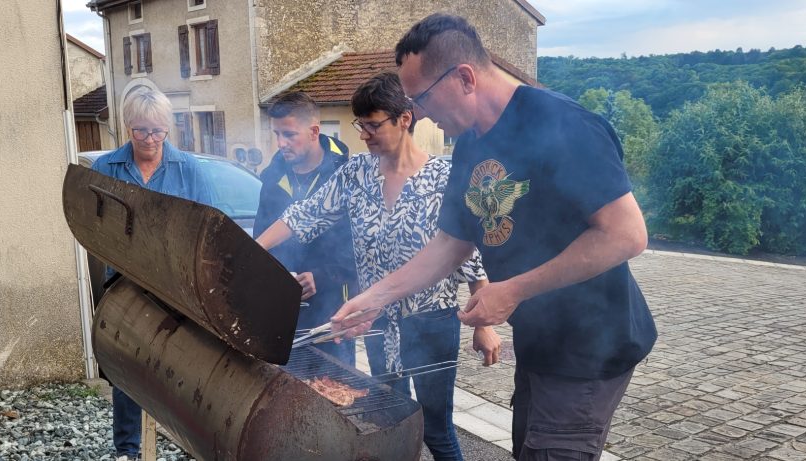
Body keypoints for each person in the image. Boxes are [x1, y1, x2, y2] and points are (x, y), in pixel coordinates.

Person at [331, 14, 658, 461]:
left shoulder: (564, 125)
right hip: (540, 344)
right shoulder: (470, 144)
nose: (418, 112)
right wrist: (375, 298)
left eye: (422, 97)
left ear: (465, 78)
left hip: (591, 348)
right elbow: (450, 245)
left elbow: (626, 234)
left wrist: (514, 290)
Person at [256, 72, 502, 461]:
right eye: (360, 125)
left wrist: (484, 323)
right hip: (376, 320)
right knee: (390, 422)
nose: (364, 135)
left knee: (437, 428)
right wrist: (252, 248)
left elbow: (468, 253)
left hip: (433, 321)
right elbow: (304, 214)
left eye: (373, 125)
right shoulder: (355, 173)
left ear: (404, 119)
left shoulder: (443, 177)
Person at [91, 86, 213, 461]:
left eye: (158, 131)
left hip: (175, 287)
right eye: (141, 130)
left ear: (168, 128)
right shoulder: (105, 168)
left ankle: (188, 441)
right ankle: (128, 450)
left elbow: (208, 228)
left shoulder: (189, 169)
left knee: (180, 366)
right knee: (127, 363)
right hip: (124, 284)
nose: (149, 139)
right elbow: (96, 228)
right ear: (128, 126)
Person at [253, 92, 359, 366]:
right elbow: (261, 237)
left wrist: (321, 277)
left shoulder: (344, 174)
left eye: (289, 134)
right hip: (282, 310)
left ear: (314, 131)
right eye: (276, 134)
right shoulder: (272, 176)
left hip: (333, 310)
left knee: (335, 387)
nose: (280, 143)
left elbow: (361, 248)